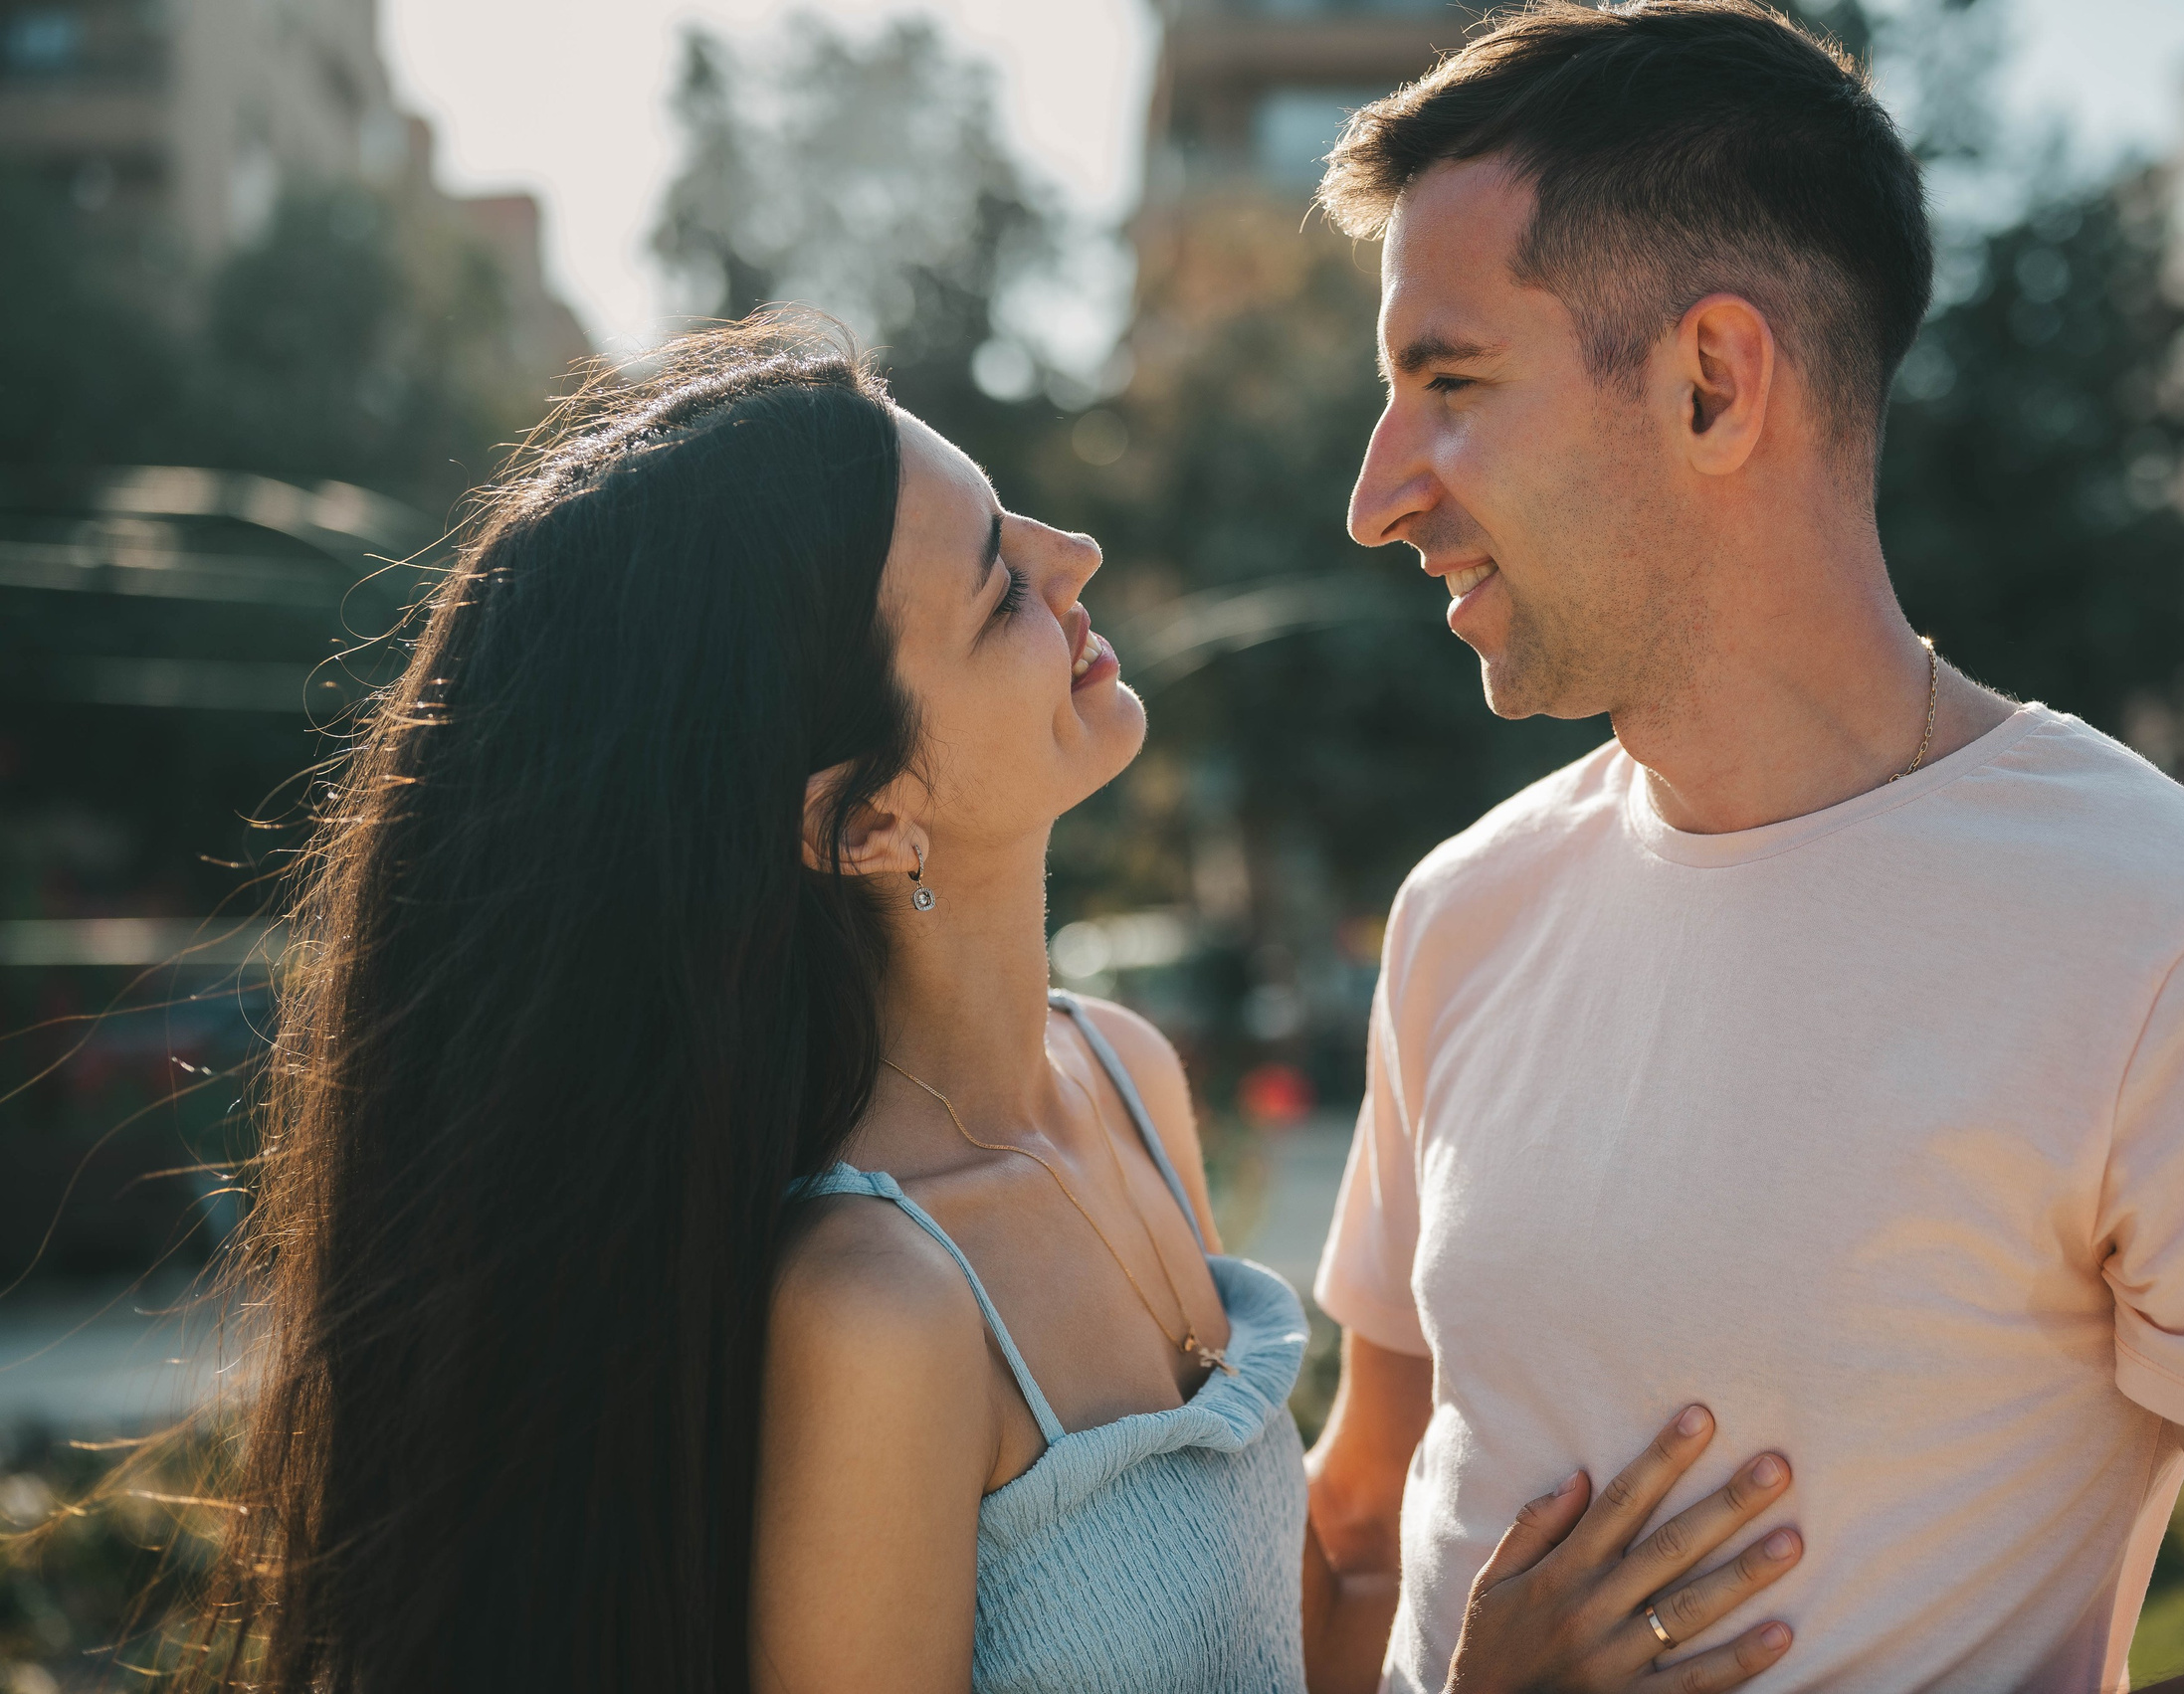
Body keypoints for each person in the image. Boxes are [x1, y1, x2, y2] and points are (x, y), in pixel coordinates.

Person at [177, 316, 1805, 1694]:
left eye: (1015, 521)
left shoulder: (1126, 1078)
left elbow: (1257, 1638)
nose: (1073, 557)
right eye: (995, 589)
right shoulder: (876, 1302)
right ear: (860, 819)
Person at [1300, 3, 2184, 1691]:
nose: (1377, 494)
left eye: (1448, 382)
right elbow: (1363, 1525)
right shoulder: (1461, 913)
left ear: (1712, 384)